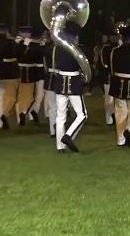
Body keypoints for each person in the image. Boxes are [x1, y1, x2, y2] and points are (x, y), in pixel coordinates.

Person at [53, 22, 88, 153]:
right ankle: (68, 136)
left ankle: (59, 147)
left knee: (60, 115)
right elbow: (84, 66)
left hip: (60, 81)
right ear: (74, 36)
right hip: (73, 82)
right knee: (82, 115)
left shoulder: (57, 48)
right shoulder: (76, 49)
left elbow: (54, 64)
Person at [109, 25, 130, 147]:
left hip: (119, 82)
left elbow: (112, 69)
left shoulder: (115, 51)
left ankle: (120, 139)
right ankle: (128, 130)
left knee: (120, 112)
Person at [0, 23, 19, 130]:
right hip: (10, 72)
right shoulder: (12, 42)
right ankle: (4, 114)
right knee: (11, 98)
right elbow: (19, 54)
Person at [15, 26, 38, 126]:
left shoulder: (19, 42)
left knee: (22, 96)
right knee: (30, 96)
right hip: (28, 70)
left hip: (21, 70)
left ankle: (22, 114)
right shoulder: (22, 43)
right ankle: (23, 113)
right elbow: (21, 54)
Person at [25, 27, 47, 124]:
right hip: (39, 71)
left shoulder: (29, 46)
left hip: (32, 72)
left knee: (36, 94)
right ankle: (31, 112)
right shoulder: (39, 47)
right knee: (39, 95)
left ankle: (31, 113)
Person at [100, 31, 118, 125]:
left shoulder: (118, 48)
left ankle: (115, 116)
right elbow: (104, 64)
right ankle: (109, 119)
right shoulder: (106, 48)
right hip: (108, 77)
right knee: (108, 99)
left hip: (116, 77)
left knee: (116, 100)